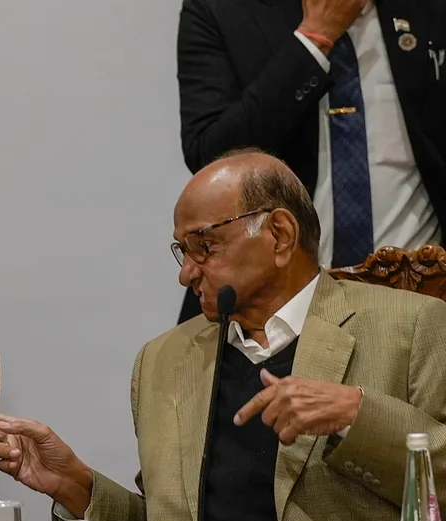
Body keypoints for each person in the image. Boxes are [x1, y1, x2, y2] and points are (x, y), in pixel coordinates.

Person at [0, 150, 446, 521]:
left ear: (280, 235)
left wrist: (356, 417)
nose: (186, 272)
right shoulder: (163, 360)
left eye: (205, 246)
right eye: (183, 251)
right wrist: (75, 484)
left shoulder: (411, 326)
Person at [175, 0, 445, 321]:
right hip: (281, 308)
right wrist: (314, 39)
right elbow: (211, 155)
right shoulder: (220, 9)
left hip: (424, 299)